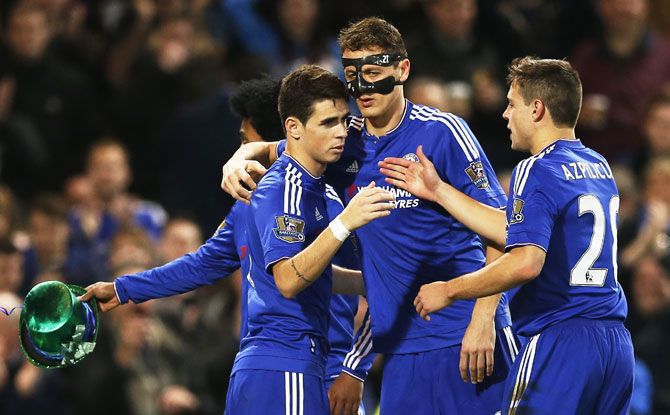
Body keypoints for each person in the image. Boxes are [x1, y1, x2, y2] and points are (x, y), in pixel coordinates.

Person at [220, 17, 518, 415]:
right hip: (399, 349)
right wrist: (241, 155)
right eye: (352, 76)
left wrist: (485, 317)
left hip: (465, 336)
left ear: (403, 70)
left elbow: (501, 228)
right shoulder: (347, 141)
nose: (362, 88)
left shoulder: (444, 132)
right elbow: (286, 145)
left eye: (374, 73)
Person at [81, 65, 394, 414]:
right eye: (328, 122)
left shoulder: (321, 194)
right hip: (293, 363)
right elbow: (269, 275)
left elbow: (322, 276)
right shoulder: (276, 196)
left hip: (312, 365)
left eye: (246, 142)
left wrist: (124, 289)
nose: (242, 151)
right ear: (294, 129)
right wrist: (125, 288)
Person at [382, 56, 634, 413]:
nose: (504, 114)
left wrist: (451, 290)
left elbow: (526, 261)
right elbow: (514, 229)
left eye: (512, 104)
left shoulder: (536, 168)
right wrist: (440, 191)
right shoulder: (598, 164)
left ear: (536, 109)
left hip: (560, 340)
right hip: (615, 344)